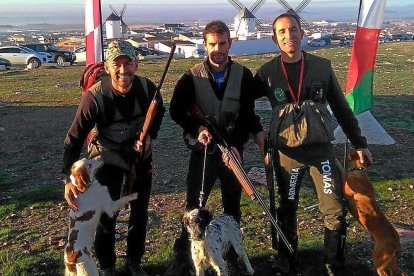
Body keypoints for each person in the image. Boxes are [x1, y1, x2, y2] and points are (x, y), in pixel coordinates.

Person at [254, 13, 373, 275]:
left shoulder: (321, 66)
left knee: (333, 208)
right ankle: (287, 257)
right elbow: (243, 105)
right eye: (282, 32)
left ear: (302, 33)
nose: (289, 36)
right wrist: (258, 133)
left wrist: (359, 143)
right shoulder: (266, 73)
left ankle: (333, 261)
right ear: (274, 38)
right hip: (287, 155)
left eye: (293, 29)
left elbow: (341, 108)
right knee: (287, 207)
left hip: (321, 152)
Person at [165, 20, 265, 275]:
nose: (217, 49)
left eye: (222, 43)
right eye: (212, 44)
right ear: (205, 44)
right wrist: (197, 129)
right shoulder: (190, 76)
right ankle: (183, 258)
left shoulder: (243, 75)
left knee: (232, 207)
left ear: (230, 43)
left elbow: (247, 114)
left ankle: (230, 256)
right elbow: (176, 110)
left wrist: (239, 144)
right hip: (205, 153)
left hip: (231, 152)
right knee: (193, 207)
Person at [62, 40, 165, 276]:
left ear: (136, 64)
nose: (122, 70)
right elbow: (74, 138)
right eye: (116, 64)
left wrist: (150, 136)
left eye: (128, 63)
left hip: (140, 160)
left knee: (140, 213)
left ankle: (134, 262)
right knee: (107, 215)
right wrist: (67, 179)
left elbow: (160, 111)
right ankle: (108, 266)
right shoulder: (94, 97)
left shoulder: (148, 88)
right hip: (106, 162)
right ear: (107, 67)